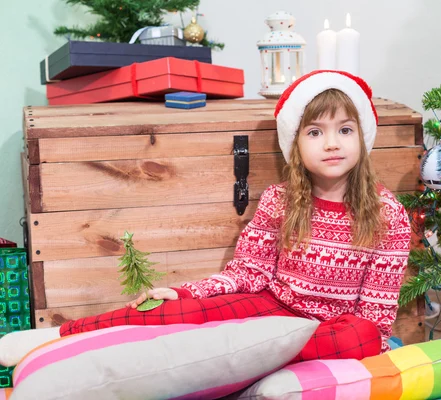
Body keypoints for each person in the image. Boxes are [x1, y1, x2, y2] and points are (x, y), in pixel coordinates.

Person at [0, 70, 411, 367]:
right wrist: (186, 293)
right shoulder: (280, 200)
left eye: (344, 130)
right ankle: (59, 339)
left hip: (330, 330)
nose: (332, 144)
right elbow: (246, 274)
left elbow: (374, 318)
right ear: (296, 144)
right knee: (176, 311)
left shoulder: (387, 215)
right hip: (270, 309)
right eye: (315, 132)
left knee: (361, 337)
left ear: (362, 136)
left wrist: (337, 337)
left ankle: (241, 355)